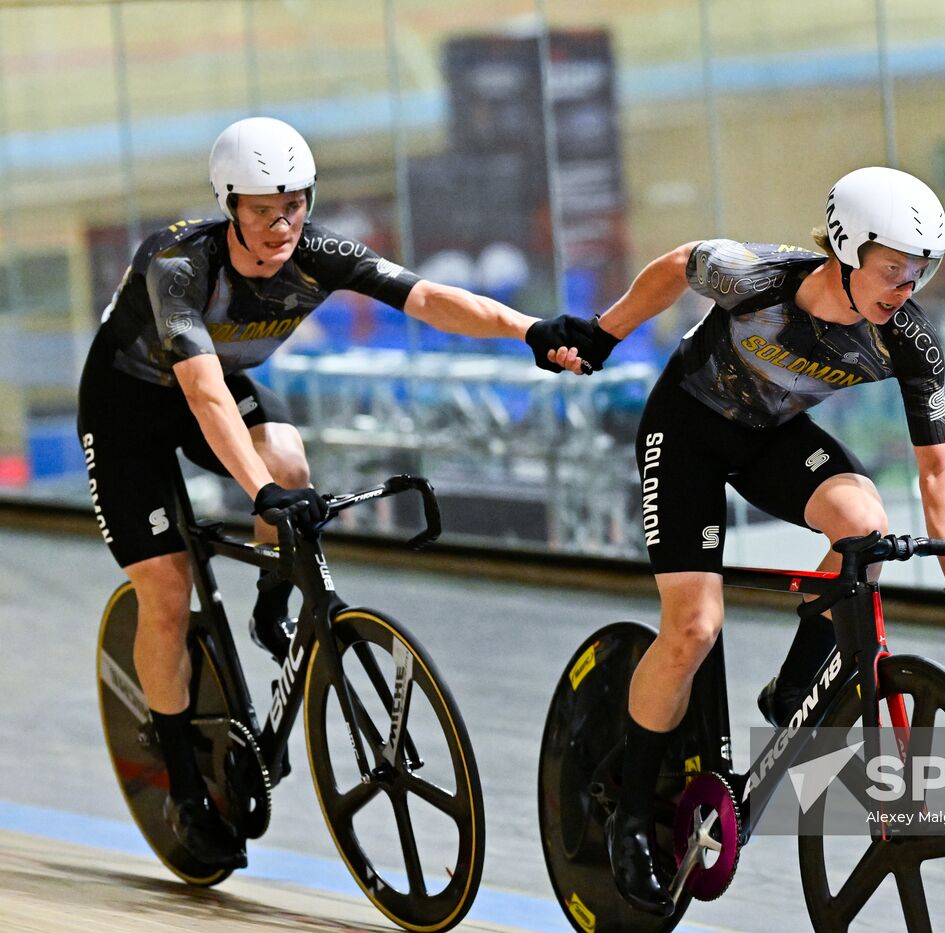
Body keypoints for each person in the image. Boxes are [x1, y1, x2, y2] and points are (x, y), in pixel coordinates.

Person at [78, 116, 586, 869]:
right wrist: (257, 492)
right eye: (261, 209)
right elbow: (206, 395)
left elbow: (427, 298)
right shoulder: (179, 264)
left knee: (288, 456)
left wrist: (529, 328)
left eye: (295, 205)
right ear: (229, 205)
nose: (282, 224)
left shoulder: (316, 252)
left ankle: (272, 604)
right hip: (130, 410)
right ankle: (184, 786)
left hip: (217, 385)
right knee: (165, 584)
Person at [524, 166, 945, 916]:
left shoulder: (909, 341)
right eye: (891, 270)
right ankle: (628, 815)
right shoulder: (756, 277)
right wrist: (603, 335)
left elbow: (938, 469)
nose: (903, 288)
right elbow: (674, 264)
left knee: (866, 527)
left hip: (769, 438)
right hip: (686, 430)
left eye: (918, 273)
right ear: (846, 250)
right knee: (693, 626)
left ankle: (796, 686)